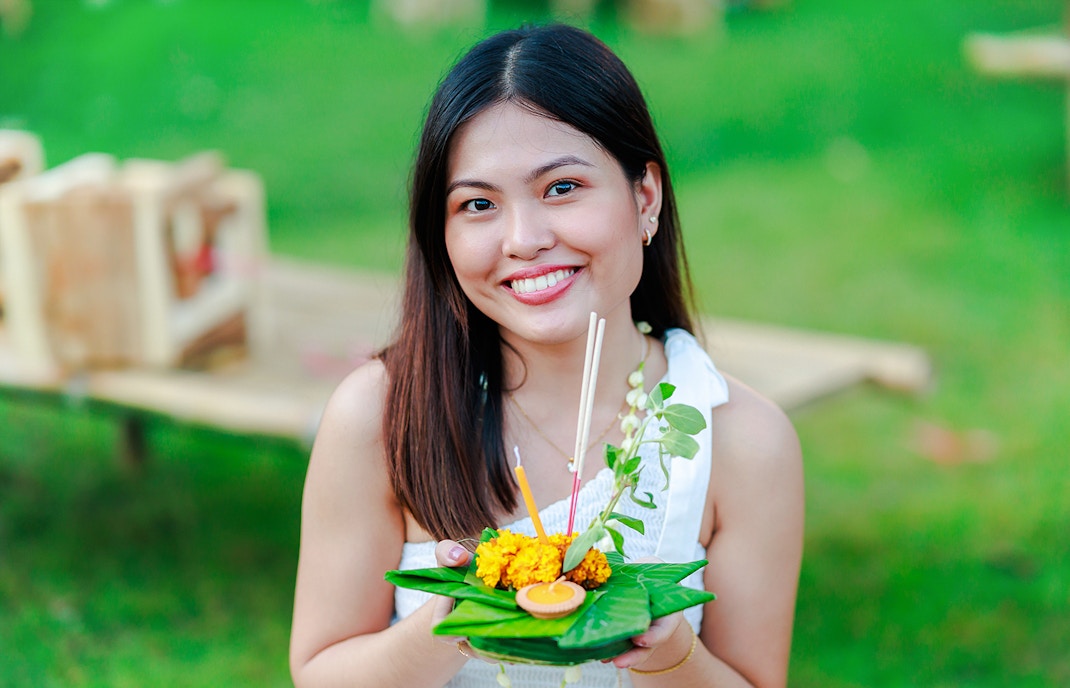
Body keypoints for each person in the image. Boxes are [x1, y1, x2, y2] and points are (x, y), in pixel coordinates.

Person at [289, 23, 803, 688]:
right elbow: (320, 673)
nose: (525, 240)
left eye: (561, 188)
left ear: (645, 197)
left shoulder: (742, 440)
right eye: (477, 204)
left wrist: (672, 650)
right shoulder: (381, 416)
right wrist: (455, 621)